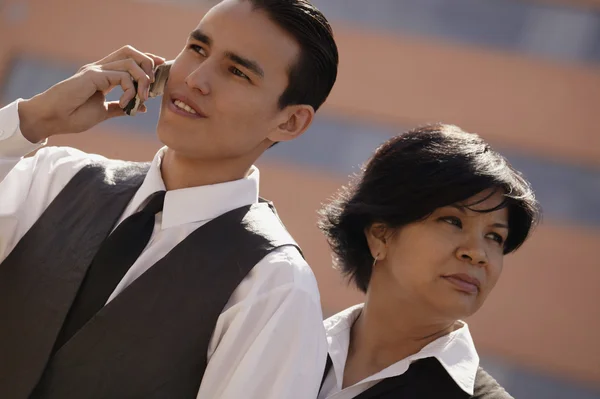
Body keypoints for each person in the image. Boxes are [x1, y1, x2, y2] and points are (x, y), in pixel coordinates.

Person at [0, 0, 338, 398]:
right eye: (197, 48)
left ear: (290, 121)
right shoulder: (55, 177)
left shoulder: (274, 288)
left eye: (237, 71)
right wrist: (33, 121)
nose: (195, 78)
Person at [317, 124, 540, 399]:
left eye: (494, 236)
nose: (478, 253)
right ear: (380, 235)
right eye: (452, 221)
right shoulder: (283, 341)